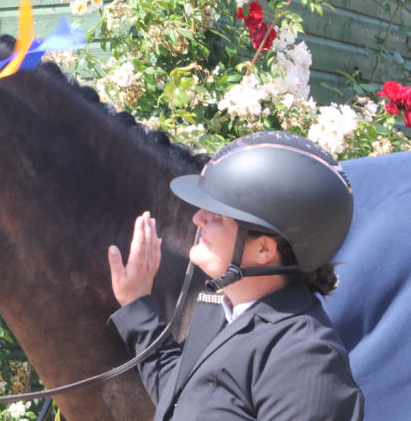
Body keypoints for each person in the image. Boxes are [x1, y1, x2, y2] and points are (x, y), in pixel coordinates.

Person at [106, 131, 364, 420]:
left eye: (218, 215)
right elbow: (182, 402)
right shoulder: (225, 312)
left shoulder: (305, 360)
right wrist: (136, 304)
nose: (198, 218)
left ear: (264, 249)